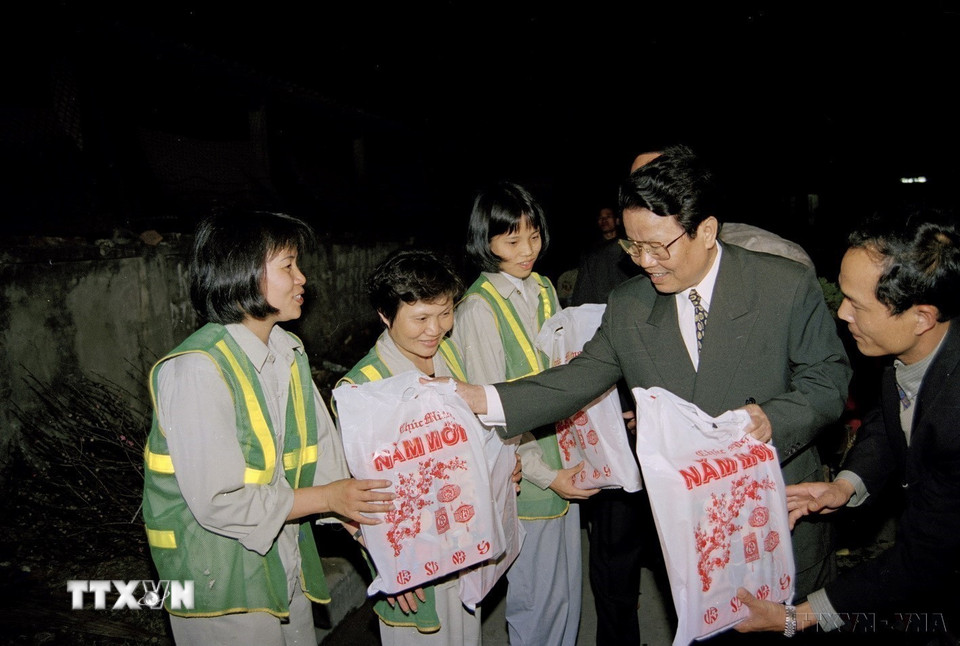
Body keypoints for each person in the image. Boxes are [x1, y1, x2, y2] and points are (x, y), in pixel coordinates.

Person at [448, 145, 852, 605]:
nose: (643, 261)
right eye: (632, 246)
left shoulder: (782, 284)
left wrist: (772, 419)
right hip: (691, 532)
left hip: (778, 514)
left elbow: (828, 378)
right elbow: (576, 379)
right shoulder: (630, 306)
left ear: (705, 231)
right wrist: (483, 398)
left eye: (657, 247)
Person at [142, 209, 395, 645]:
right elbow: (220, 501)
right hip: (218, 578)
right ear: (242, 274)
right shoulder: (197, 370)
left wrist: (373, 532)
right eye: (288, 266)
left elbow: (322, 456)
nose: (303, 279)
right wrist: (329, 498)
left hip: (283, 559)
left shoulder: (286, 350)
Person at [734, 216, 960, 640]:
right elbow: (892, 419)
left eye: (858, 304)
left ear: (921, 317)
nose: (841, 312)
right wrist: (846, 485)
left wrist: (795, 617)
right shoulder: (916, 352)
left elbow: (921, 560)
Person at [335, 248, 520, 645]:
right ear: (385, 316)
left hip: (464, 544)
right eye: (420, 318)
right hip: (413, 564)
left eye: (445, 313)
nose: (435, 330)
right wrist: (385, 560)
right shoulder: (363, 388)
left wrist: (500, 465)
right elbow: (350, 495)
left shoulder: (447, 353)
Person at [452, 181, 596, 646]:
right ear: (485, 242)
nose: (527, 250)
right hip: (528, 479)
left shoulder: (542, 288)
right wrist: (543, 474)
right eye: (511, 241)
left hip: (562, 464)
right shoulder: (478, 308)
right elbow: (493, 410)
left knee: (567, 598)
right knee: (538, 604)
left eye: (533, 236)